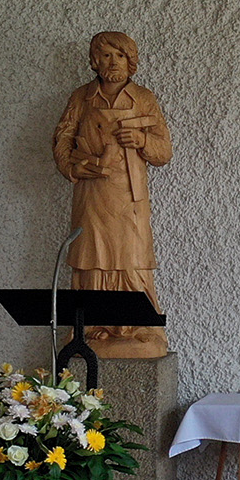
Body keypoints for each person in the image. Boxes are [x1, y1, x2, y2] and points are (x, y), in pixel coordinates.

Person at [51, 30, 172, 359]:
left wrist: (143, 141)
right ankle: (90, 327)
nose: (113, 62)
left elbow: (164, 151)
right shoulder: (82, 97)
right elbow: (63, 139)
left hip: (129, 196)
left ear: (130, 61)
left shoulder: (143, 98)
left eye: (119, 56)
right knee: (92, 257)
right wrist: (75, 167)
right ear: (95, 61)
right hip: (92, 194)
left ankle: (137, 326)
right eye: (105, 55)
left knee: (130, 258)